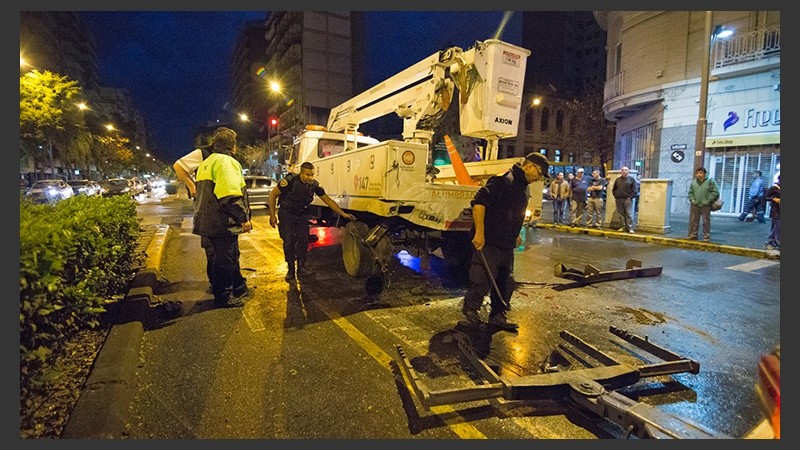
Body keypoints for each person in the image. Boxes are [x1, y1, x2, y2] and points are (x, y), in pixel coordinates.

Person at [461, 152, 550, 331]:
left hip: (507, 243)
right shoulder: (503, 180)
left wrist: (516, 234)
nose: (539, 178)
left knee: (505, 281)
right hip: (490, 241)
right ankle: (470, 309)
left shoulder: (524, 186)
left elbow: (514, 212)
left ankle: (498, 316)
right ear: (529, 166)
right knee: (483, 278)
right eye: (539, 173)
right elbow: (479, 203)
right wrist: (479, 233)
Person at [191, 127, 252, 308]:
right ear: (233, 146)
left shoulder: (207, 162)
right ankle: (224, 296)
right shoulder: (226, 162)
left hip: (207, 222)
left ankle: (236, 287)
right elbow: (230, 196)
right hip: (221, 223)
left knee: (218, 258)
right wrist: (243, 218)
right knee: (226, 260)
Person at [269, 161, 356, 281]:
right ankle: (290, 269)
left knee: (303, 241)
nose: (310, 178)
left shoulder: (314, 185)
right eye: (307, 175)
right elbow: (273, 195)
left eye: (312, 175)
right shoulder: (290, 180)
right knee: (289, 242)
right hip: (287, 215)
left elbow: (328, 201)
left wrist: (343, 214)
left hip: (302, 215)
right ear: (301, 173)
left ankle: (301, 267)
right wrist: (272, 216)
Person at [173, 141, 216, 288]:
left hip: (218, 206)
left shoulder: (224, 157)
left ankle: (224, 283)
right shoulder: (203, 154)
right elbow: (178, 166)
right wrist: (192, 186)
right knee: (212, 249)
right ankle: (216, 284)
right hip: (206, 207)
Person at [687, 166, 720, 242]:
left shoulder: (710, 181)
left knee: (706, 221)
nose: (699, 174)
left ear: (705, 173)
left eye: (701, 173)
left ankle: (706, 236)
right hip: (695, 204)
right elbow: (690, 192)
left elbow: (715, 192)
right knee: (694, 220)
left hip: (705, 205)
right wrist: (692, 200)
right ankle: (694, 235)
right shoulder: (694, 182)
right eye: (697, 173)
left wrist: (708, 200)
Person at [612, 166, 638, 233]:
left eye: (625, 170)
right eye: (622, 170)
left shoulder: (631, 179)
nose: (624, 171)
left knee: (628, 214)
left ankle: (630, 228)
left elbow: (635, 190)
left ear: (628, 172)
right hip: (618, 199)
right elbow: (614, 189)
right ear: (621, 172)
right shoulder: (617, 180)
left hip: (627, 199)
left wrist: (630, 197)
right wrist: (616, 196)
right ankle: (622, 227)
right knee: (621, 214)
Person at [765, 175, 780, 250]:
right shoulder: (774, 188)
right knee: (777, 227)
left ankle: (770, 242)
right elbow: (765, 197)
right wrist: (774, 199)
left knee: (776, 228)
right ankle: (777, 243)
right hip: (775, 210)